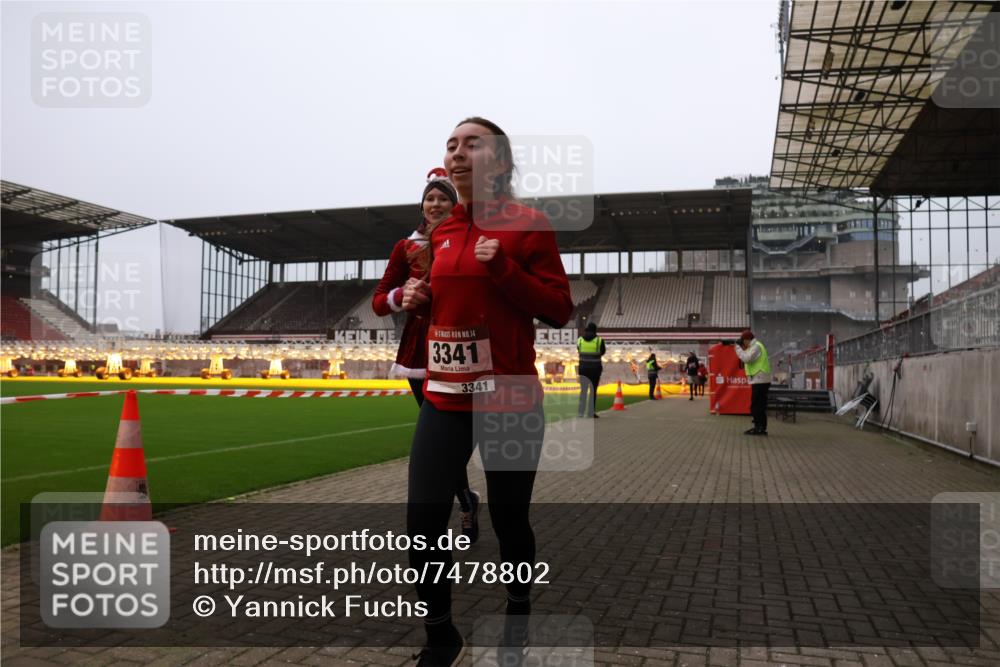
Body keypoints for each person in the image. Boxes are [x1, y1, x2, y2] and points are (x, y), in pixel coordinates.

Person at [400, 117, 573, 666]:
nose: (456, 153)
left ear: (497, 160)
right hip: (446, 398)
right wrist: (416, 299)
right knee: (421, 523)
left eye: (469, 144)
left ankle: (518, 607)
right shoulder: (442, 231)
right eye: (450, 145)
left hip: (510, 401)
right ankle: (442, 636)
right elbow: (445, 307)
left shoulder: (529, 225)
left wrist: (502, 270)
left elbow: (559, 308)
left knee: (508, 519)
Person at [372, 168, 481, 544]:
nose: (435, 204)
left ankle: (464, 504)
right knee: (438, 443)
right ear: (422, 204)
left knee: (449, 444)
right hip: (420, 352)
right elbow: (378, 301)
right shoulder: (406, 246)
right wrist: (403, 296)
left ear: (455, 205)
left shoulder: (469, 239)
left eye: (443, 198)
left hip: (460, 347)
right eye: (429, 198)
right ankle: (466, 504)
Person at [734, 329, 771, 435]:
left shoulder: (756, 347)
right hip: (760, 379)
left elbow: (746, 358)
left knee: (757, 405)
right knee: (760, 405)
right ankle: (760, 427)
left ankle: (759, 427)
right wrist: (742, 348)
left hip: (760, 379)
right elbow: (747, 356)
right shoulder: (755, 346)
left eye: (743, 341)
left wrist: (737, 348)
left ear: (747, 340)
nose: (742, 343)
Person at [576, 322, 606, 418]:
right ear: (595, 330)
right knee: (593, 391)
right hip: (595, 370)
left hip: (583, 369)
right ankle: (590, 413)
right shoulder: (599, 341)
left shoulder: (580, 340)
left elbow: (578, 350)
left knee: (583, 391)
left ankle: (580, 412)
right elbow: (602, 352)